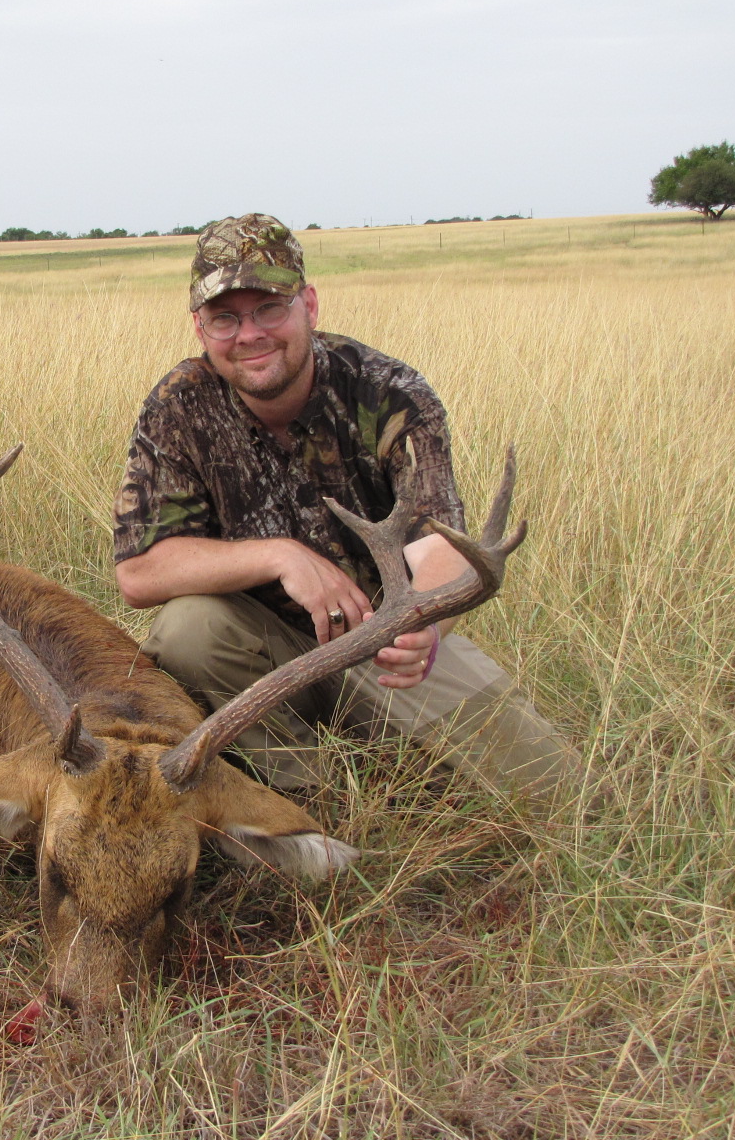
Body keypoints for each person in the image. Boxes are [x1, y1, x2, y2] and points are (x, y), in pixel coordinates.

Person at [113, 214, 584, 801]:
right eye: (225, 317)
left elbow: (444, 547)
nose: (249, 334)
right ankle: (315, 799)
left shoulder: (390, 394)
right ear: (199, 327)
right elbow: (139, 571)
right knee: (187, 630)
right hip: (256, 657)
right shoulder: (178, 406)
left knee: (560, 793)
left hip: (381, 646)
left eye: (270, 308)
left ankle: (396, 769)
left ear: (309, 304)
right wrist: (279, 557)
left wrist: (426, 629)